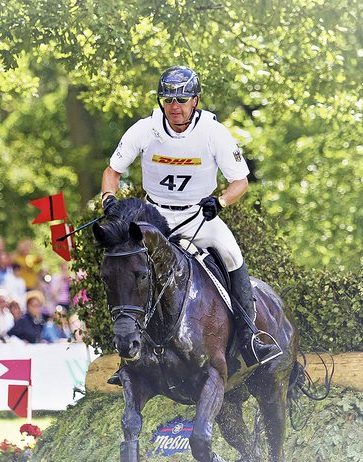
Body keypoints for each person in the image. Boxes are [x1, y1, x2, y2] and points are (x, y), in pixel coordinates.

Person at [100, 65, 281, 370]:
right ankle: (131, 355)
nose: (175, 107)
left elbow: (241, 181)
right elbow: (112, 171)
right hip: (154, 218)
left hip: (199, 216)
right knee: (125, 262)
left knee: (233, 257)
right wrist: (108, 200)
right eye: (169, 100)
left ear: (195, 101)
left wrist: (220, 202)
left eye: (182, 100)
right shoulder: (145, 129)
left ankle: (250, 339)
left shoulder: (213, 133)